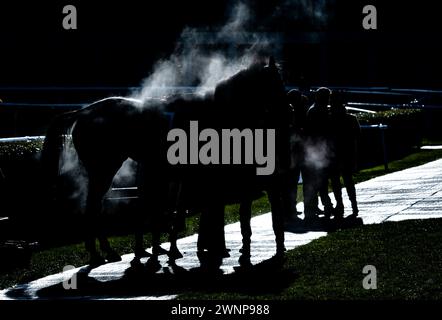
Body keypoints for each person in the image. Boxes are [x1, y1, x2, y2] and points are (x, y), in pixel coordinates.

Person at [303, 87, 334, 224]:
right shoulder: (318, 111)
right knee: (318, 183)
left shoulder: (316, 110)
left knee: (318, 183)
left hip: (317, 150)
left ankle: (317, 208)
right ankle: (318, 208)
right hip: (317, 151)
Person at [329, 92, 361, 218]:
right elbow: (357, 136)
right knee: (348, 181)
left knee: (336, 181)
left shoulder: (330, 119)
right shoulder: (351, 118)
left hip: (335, 153)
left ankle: (340, 205)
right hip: (347, 153)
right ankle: (353, 205)